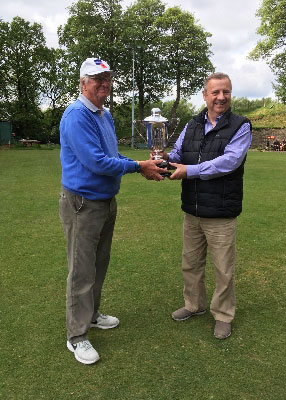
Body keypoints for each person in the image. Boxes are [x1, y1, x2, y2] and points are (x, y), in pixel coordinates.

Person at [59, 57, 167, 364]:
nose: (103, 84)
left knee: (99, 265)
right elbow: (96, 162)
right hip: (82, 204)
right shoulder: (77, 115)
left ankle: (92, 315)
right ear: (83, 82)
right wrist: (138, 167)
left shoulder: (103, 114)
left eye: (107, 79)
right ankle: (76, 337)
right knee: (81, 272)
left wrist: (143, 165)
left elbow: (110, 154)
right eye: (97, 79)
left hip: (105, 202)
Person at [163, 72, 252, 340]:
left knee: (223, 269)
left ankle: (223, 315)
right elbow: (178, 154)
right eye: (215, 92)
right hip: (193, 208)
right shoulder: (192, 125)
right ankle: (194, 304)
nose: (221, 98)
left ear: (230, 94)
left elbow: (229, 162)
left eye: (225, 92)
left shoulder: (241, 126)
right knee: (190, 264)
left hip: (221, 211)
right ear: (205, 95)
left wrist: (189, 170)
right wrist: (162, 158)